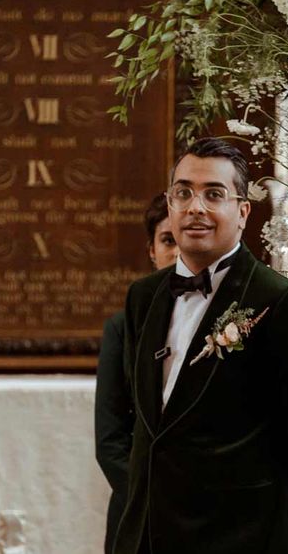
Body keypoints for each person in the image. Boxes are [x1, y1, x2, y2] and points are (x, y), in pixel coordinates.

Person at [113, 137, 288, 554]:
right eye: (183, 193)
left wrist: (268, 527)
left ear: (242, 213)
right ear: (169, 206)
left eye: (213, 194)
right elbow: (148, 427)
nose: (195, 207)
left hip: (238, 540)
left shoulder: (281, 302)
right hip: (144, 538)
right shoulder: (142, 298)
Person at [95, 194, 178, 554]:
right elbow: (110, 439)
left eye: (181, 238)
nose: (176, 251)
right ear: (151, 250)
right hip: (138, 514)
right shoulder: (121, 327)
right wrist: (150, 501)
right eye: (167, 240)